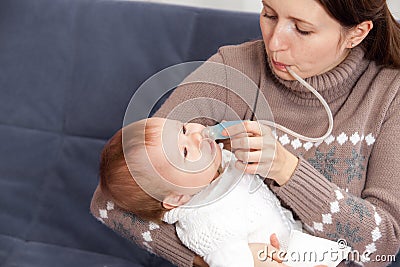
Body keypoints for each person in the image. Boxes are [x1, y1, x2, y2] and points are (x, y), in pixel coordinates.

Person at [91, 0, 400, 266]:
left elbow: (382, 247)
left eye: (302, 29)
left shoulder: (389, 96)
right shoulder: (231, 70)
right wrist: (221, 257)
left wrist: (288, 171)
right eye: (269, 14)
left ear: (356, 33)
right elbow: (111, 201)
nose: (275, 42)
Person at [100, 117, 347, 267]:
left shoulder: (216, 168)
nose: (198, 136)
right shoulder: (206, 226)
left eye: (184, 129)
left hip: (304, 244)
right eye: (185, 152)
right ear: (177, 198)